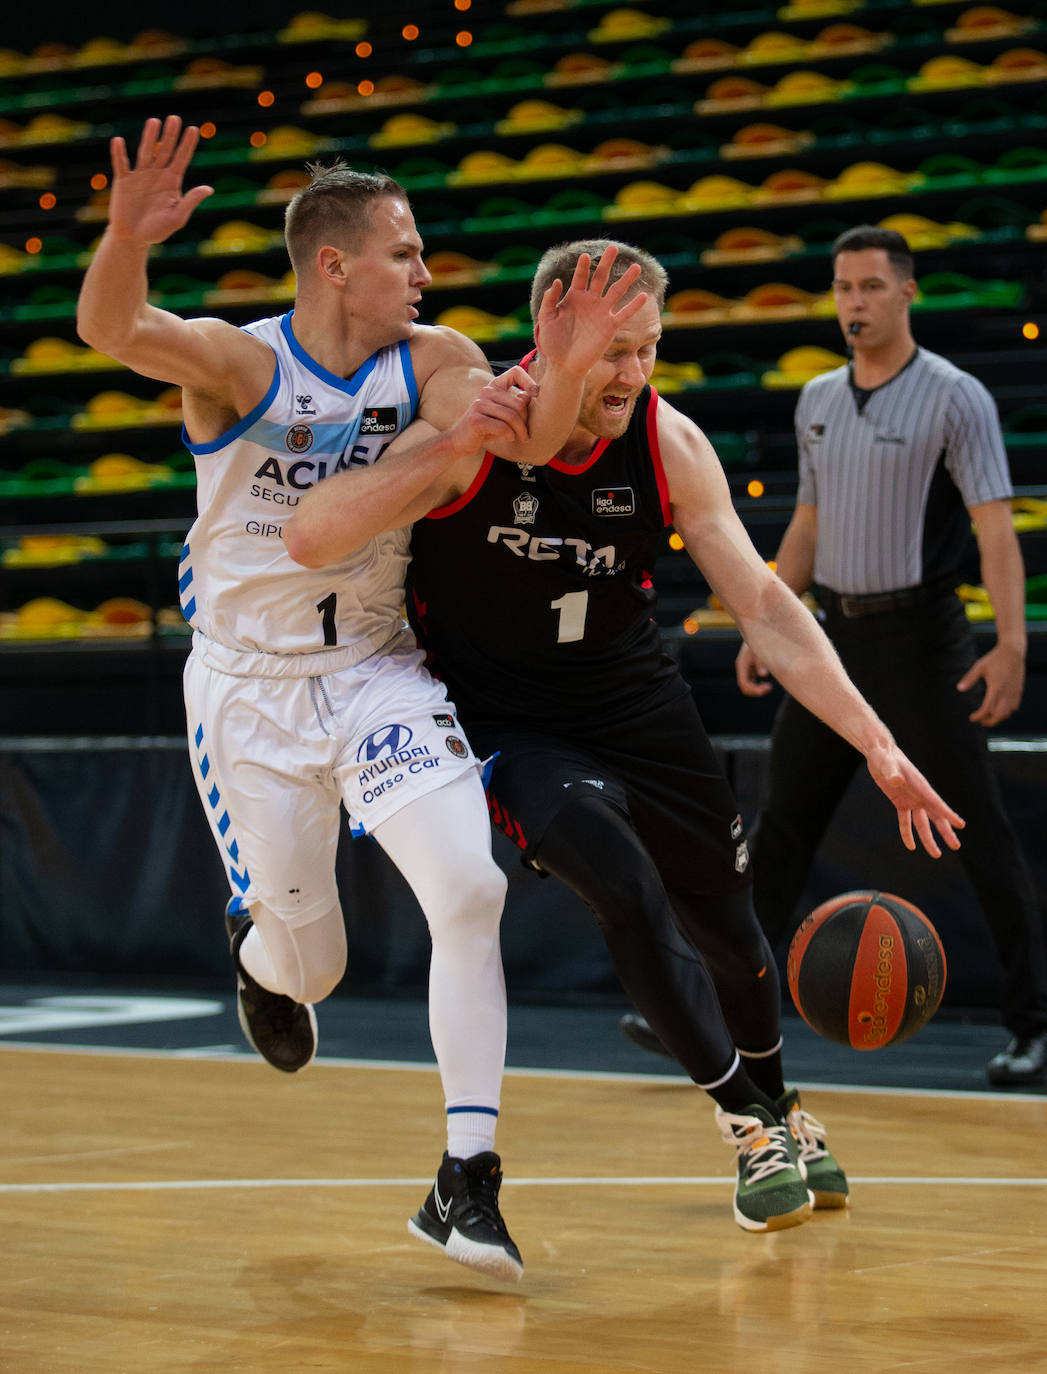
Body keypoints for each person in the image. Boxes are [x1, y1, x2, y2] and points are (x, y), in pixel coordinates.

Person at [286, 238, 965, 1236]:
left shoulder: (668, 442)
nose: (633, 373)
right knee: (623, 885)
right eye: (612, 351)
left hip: (632, 697)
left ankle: (779, 1105)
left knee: (728, 926)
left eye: (647, 348)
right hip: (508, 719)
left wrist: (877, 743)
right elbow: (336, 520)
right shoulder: (474, 427)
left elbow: (767, 609)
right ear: (552, 335)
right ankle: (746, 1123)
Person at [76, 116, 648, 1283]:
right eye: (405, 253)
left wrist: (574, 362)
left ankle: (466, 1180)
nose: (426, 272)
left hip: (379, 672)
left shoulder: (434, 358)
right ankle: (259, 957)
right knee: (313, 969)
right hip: (249, 694)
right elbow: (112, 327)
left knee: (470, 888)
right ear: (334, 264)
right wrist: (125, 239)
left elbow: (521, 439)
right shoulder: (243, 365)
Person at [623, 224, 1047, 1087]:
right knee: (779, 829)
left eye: (869, 286)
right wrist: (766, 624)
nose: (853, 302)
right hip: (834, 638)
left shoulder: (955, 395)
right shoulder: (817, 397)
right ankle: (716, 1013)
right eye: (842, 287)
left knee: (977, 830)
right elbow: (809, 525)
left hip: (924, 639)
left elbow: (995, 527)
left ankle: (1036, 1031)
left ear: (907, 293)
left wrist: (1011, 643)